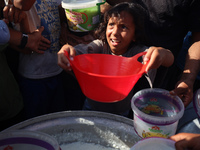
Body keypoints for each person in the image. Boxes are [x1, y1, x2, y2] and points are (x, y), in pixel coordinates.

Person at [57, 2, 174, 117]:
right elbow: (77, 51)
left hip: (122, 112)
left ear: (135, 34)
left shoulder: (137, 53)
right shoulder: (100, 47)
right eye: (111, 24)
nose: (115, 32)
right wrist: (66, 50)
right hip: (91, 108)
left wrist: (161, 53)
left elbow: (169, 59)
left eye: (123, 27)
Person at [106, 0, 200, 108]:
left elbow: (197, 39)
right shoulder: (102, 46)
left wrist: (187, 79)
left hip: (160, 75)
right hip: (118, 68)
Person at [3, 0, 68, 119]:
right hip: (33, 75)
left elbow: (61, 12)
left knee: (58, 121)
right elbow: (23, 4)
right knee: (37, 124)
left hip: (57, 68)